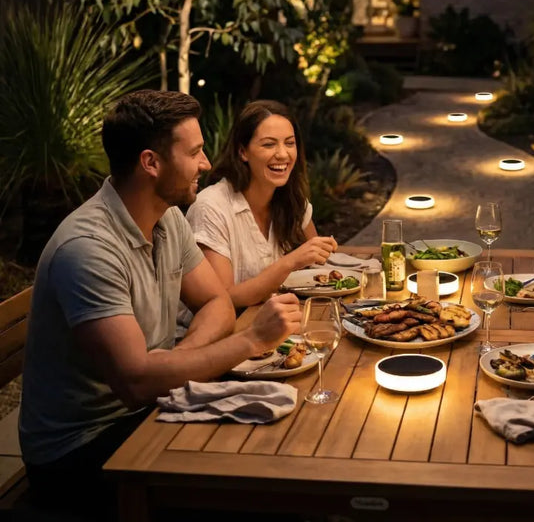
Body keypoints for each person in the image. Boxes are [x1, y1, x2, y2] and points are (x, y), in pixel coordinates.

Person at [19, 91, 301, 519]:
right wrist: (253, 340)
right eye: (194, 152)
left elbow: (217, 303)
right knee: (255, 481)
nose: (206, 163)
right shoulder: (88, 249)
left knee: (278, 436)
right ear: (151, 163)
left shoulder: (166, 217)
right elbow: (136, 384)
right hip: (79, 450)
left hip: (148, 407)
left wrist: (177, 359)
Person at [185, 100, 336, 310]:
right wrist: (289, 263)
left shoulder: (292, 200)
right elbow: (222, 300)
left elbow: (320, 270)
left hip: (274, 319)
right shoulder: (211, 207)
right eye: (268, 144)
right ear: (243, 152)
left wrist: (321, 252)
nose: (282, 154)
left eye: (289, 143)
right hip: (224, 327)